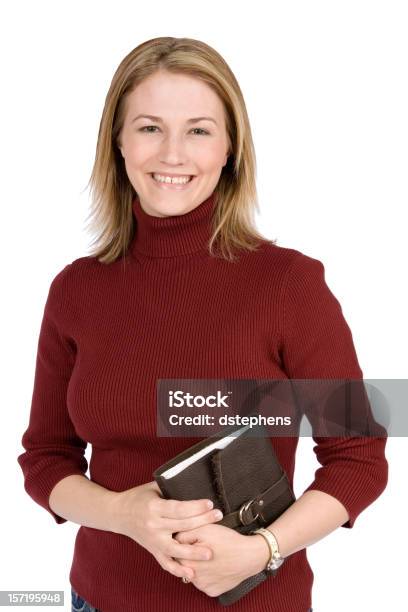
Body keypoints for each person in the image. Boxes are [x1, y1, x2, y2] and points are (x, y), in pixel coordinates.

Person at [17, 36, 388, 612]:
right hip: (98, 600)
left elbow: (359, 459)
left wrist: (263, 548)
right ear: (117, 142)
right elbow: (44, 459)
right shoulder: (75, 290)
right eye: (148, 127)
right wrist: (121, 513)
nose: (172, 154)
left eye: (197, 129)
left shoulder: (289, 284)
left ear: (230, 147)